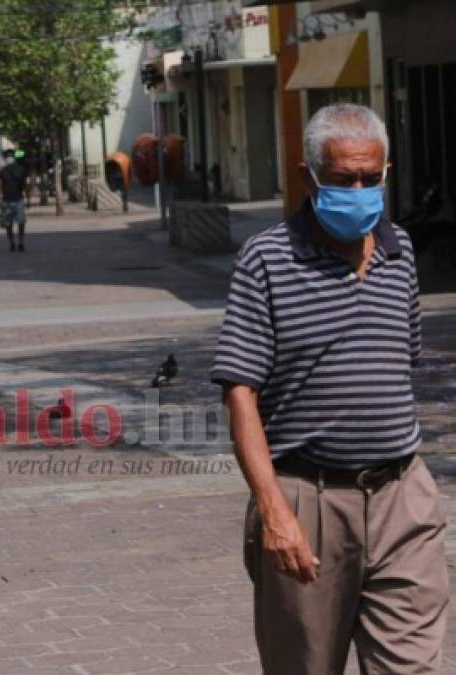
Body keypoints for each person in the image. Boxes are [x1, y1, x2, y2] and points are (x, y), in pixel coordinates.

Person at [211, 104, 447, 674]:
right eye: (343, 181)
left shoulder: (400, 253)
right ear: (308, 178)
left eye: (371, 179)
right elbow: (239, 389)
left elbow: (399, 365)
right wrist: (274, 511)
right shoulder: (267, 259)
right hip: (308, 502)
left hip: (402, 499)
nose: (361, 192)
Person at [0, 149, 29, 251]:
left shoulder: (2, 171)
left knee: (8, 224)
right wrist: (28, 199)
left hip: (7, 200)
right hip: (19, 199)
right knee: (21, 222)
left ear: (5, 158)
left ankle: (12, 243)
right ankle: (20, 242)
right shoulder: (21, 169)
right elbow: (26, 186)